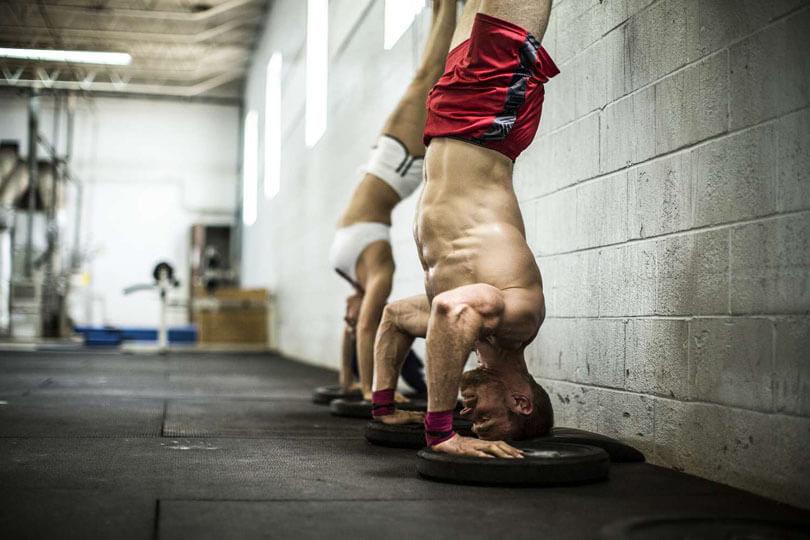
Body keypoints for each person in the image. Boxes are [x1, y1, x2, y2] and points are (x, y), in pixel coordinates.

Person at [370, 0, 558, 458]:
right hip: (488, 118)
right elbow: (452, 310)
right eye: (486, 419)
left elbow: (395, 319)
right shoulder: (515, 322)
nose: (470, 415)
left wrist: (384, 406)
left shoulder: (476, 328)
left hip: (453, 120)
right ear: (521, 400)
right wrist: (441, 434)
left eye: (469, 422)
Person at [329, 0, 457, 401]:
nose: (354, 312)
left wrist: (368, 390)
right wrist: (345, 384)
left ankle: (447, 6)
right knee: (431, 77)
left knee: (427, 75)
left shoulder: (380, 260)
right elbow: (354, 324)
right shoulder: (365, 267)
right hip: (350, 237)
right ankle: (442, 8)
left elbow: (368, 326)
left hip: (393, 165)